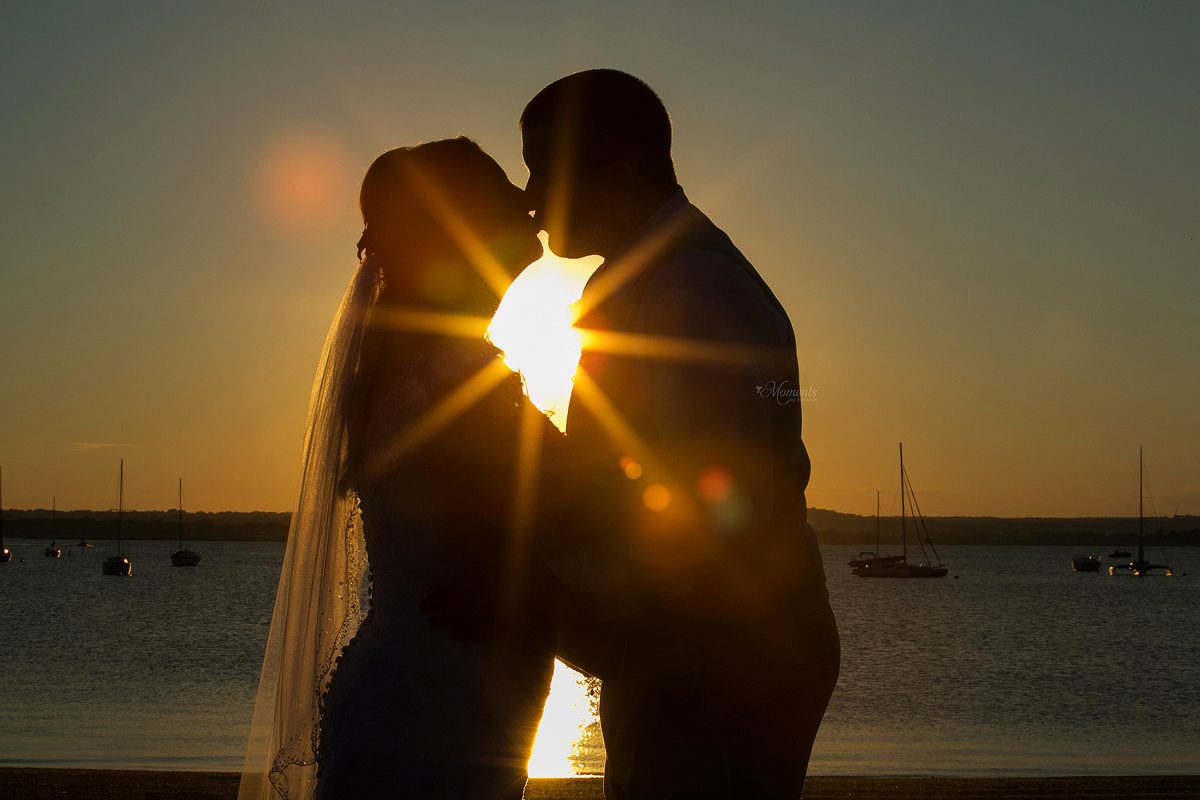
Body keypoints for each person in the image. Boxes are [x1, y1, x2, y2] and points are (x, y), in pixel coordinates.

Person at [521, 70, 840, 799]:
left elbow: (707, 509)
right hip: (704, 651)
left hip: (721, 660)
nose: (530, 195)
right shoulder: (662, 279)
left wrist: (552, 598)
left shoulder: (689, 292)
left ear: (620, 172)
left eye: (543, 169)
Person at [237, 138, 568, 800]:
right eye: (505, 189)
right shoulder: (451, 381)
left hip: (430, 695)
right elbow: (556, 530)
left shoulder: (427, 370)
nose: (529, 206)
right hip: (437, 709)